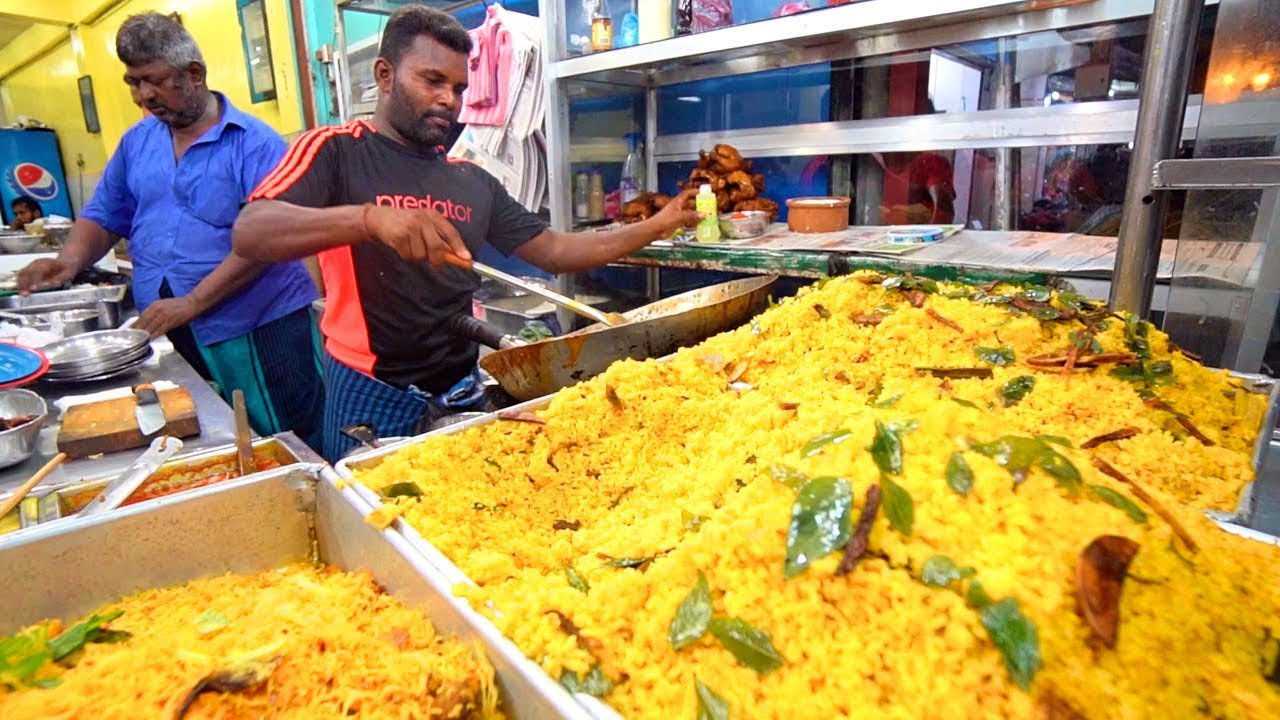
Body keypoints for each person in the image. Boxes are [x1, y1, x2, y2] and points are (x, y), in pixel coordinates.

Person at [233, 6, 700, 461]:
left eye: (458, 87)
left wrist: (661, 224)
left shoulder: (471, 179)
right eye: (432, 81)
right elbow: (253, 231)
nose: (448, 100)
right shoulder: (335, 151)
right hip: (370, 392)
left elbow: (556, 250)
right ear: (384, 75)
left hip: (462, 389)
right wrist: (369, 219)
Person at [17, 12, 324, 450]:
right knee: (209, 438)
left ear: (194, 74)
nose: (143, 95)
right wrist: (66, 262)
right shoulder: (138, 141)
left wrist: (194, 301)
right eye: (133, 82)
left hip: (256, 325)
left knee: (283, 435)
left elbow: (267, 243)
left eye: (153, 80)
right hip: (171, 325)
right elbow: (106, 212)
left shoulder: (255, 144)